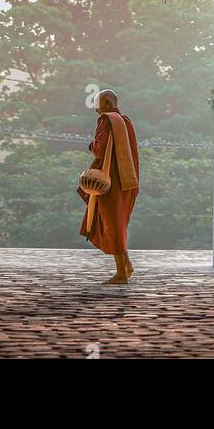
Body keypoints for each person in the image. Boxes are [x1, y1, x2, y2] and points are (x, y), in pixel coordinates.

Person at [78, 88, 139, 284]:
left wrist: (91, 145)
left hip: (111, 182)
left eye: (97, 105)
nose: (96, 110)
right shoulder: (125, 120)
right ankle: (127, 266)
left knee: (112, 224)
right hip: (128, 180)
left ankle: (121, 274)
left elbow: (100, 150)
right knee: (118, 223)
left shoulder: (106, 120)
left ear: (105, 104)